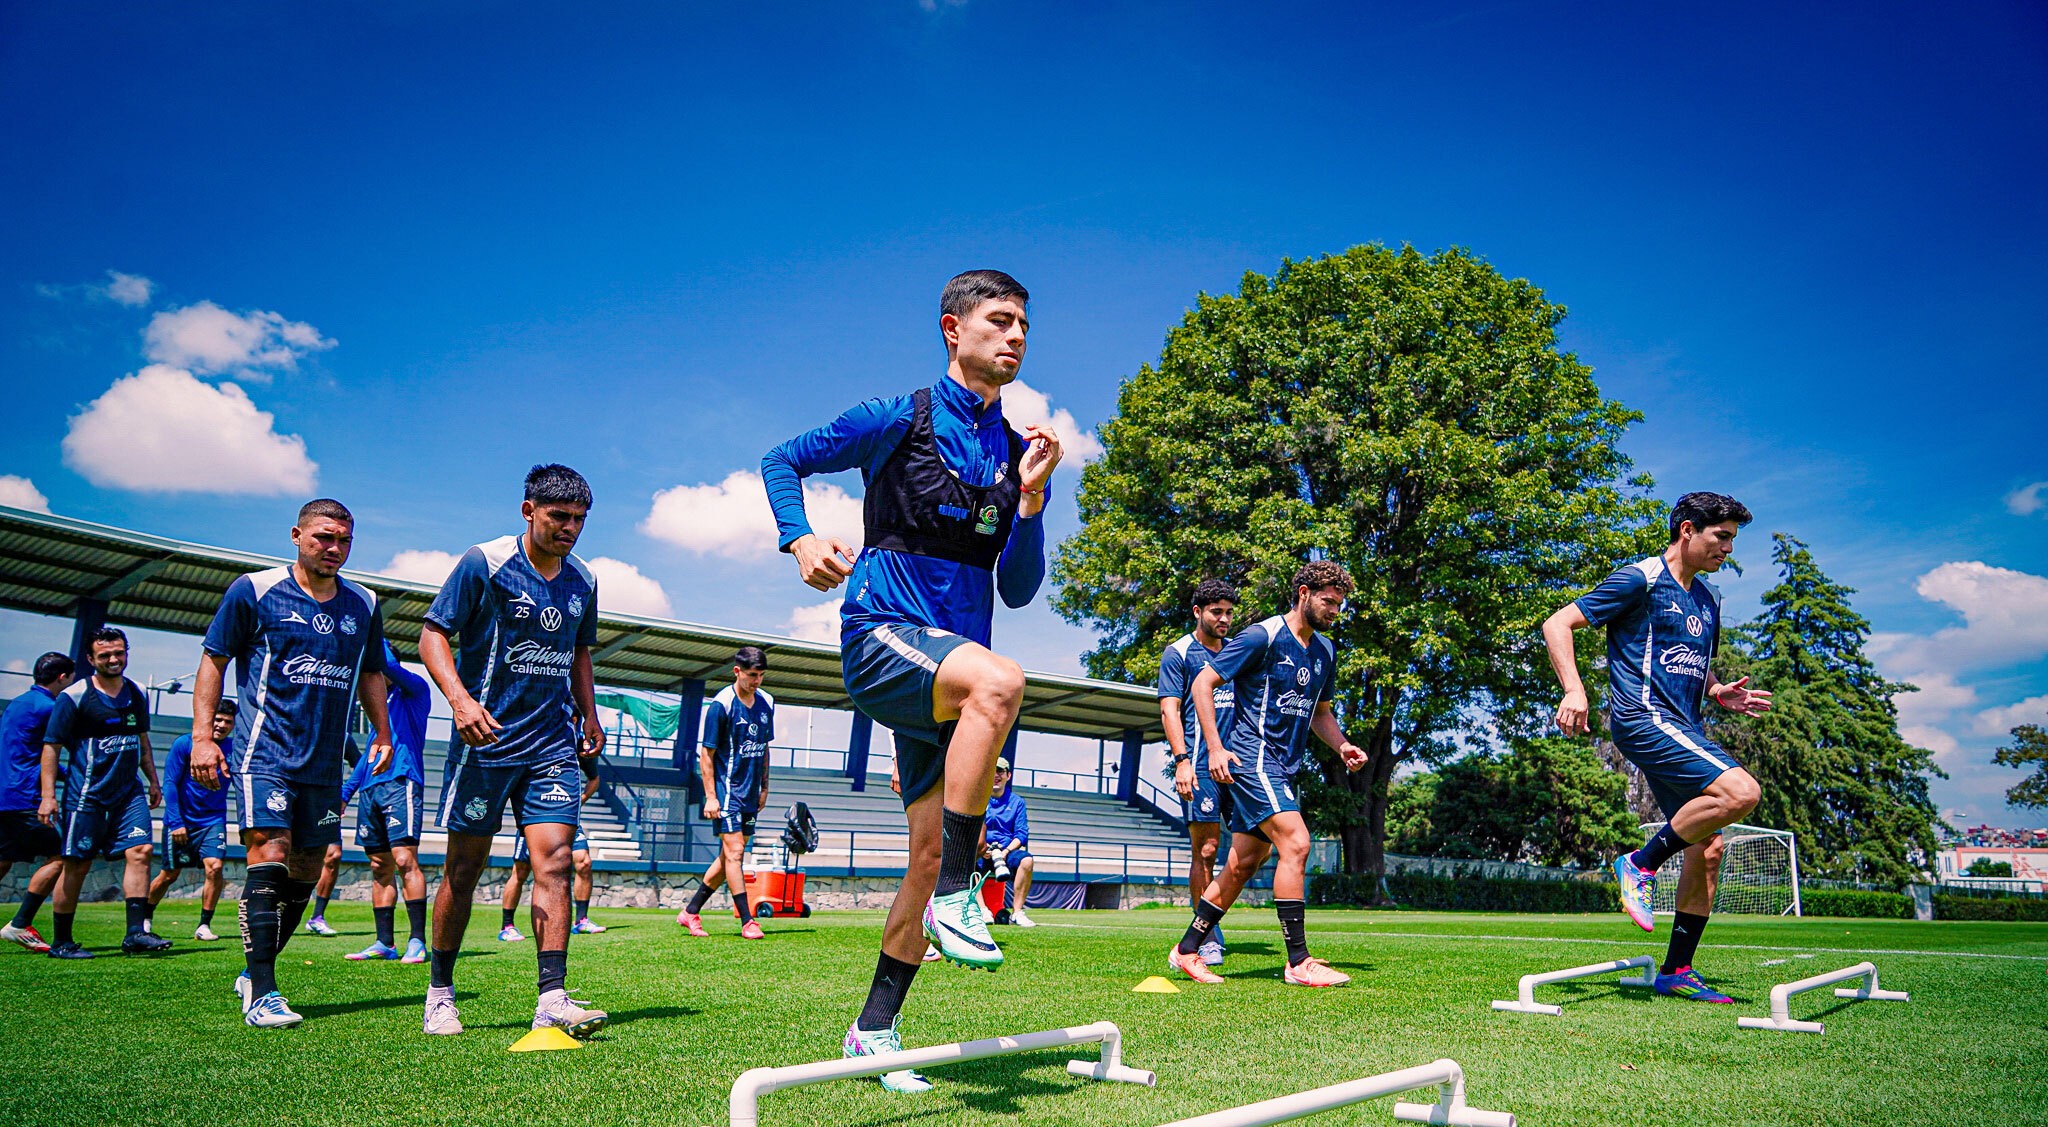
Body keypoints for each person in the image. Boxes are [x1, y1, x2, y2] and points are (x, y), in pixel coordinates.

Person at [761, 268, 1061, 1091]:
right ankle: (966, 895)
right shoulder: (897, 417)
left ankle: (872, 1030)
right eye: (999, 320)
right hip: (881, 637)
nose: (1016, 336)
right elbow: (783, 458)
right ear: (951, 329)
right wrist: (799, 539)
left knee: (924, 855)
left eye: (1024, 325)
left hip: (952, 671)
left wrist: (1032, 503)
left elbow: (1019, 588)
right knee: (1002, 684)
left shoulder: (1012, 451)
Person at [1541, 491, 1773, 1003]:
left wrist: (1717, 690)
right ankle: (1640, 864)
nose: (1728, 549)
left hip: (1682, 724)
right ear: (1687, 530)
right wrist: (1574, 690)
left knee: (1708, 845)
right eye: (1722, 536)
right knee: (1742, 792)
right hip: (1642, 717)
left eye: (1733, 538)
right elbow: (1557, 623)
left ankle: (1677, 970)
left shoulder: (1708, 600)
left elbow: (1691, 659)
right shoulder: (1640, 578)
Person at [419, 464, 607, 1039]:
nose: (570, 529)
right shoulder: (486, 561)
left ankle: (552, 997)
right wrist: (460, 701)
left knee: (553, 861)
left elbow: (578, 653)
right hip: (487, 741)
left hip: (551, 743)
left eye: (579, 520)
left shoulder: (584, 581)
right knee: (464, 870)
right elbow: (432, 635)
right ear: (529, 511)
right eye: (559, 517)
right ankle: (440, 992)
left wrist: (590, 712)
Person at [193, 498, 395, 1027]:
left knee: (308, 865)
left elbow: (373, 671)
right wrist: (202, 737)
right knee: (271, 850)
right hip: (266, 752)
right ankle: (263, 992)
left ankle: (254, 970)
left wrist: (383, 730)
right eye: (324, 537)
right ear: (297, 535)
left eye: (344, 540)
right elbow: (213, 661)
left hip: (324, 761)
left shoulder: (365, 603)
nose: (334, 548)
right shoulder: (255, 590)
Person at [1167, 562, 1367, 988]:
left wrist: (1342, 745)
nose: (1334, 610)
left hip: (1284, 765)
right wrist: (1215, 748)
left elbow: (1321, 713)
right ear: (1303, 593)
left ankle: (1186, 950)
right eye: (1328, 601)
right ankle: (1298, 960)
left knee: (1243, 863)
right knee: (1297, 842)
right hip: (1251, 758)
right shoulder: (1262, 635)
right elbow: (1204, 684)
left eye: (1339, 604)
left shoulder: (1325, 651)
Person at [38, 627, 170, 959]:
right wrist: (48, 796)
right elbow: (51, 747)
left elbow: (142, 741)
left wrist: (153, 780)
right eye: (105, 655)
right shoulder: (76, 696)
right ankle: (62, 942)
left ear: (127, 652)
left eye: (119, 653)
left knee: (140, 850)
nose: (113, 659)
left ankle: (136, 934)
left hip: (128, 794)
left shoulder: (137, 692)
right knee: (77, 865)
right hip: (87, 796)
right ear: (90, 658)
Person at [1156, 579, 1238, 964]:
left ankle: (1208, 922)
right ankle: (1206, 936)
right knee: (1206, 849)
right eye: (1216, 612)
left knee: (1253, 847)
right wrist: (1182, 760)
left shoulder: (1236, 652)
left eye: (1228, 612)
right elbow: (1169, 709)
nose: (1224, 619)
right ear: (1198, 612)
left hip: (1239, 766)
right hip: (1201, 765)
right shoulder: (1179, 653)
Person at [341, 642, 434, 962]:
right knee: (379, 866)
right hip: (370, 790)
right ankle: (385, 943)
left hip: (401, 784)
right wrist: (344, 795)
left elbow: (392, 666)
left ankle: (417, 941)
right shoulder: (375, 710)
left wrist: (371, 636)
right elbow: (366, 759)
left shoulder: (415, 691)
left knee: (405, 859)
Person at [678, 648, 774, 940]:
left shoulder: (767, 702)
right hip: (727, 791)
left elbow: (765, 747)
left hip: (750, 792)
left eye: (760, 675)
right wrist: (711, 796)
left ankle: (690, 911)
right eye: (751, 675)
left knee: (727, 857)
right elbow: (706, 755)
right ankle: (748, 921)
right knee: (735, 853)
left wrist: (765, 786)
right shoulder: (721, 705)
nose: (756, 681)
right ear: (737, 672)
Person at [146, 699, 237, 941]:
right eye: (217, 719)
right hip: (182, 822)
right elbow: (170, 784)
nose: (221, 725)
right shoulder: (184, 744)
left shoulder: (234, 749)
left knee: (215, 868)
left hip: (213, 820)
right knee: (170, 874)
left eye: (227, 721)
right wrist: (176, 822)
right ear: (208, 719)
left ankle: (204, 925)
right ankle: (144, 919)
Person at [0, 652, 73, 953]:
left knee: (4, 858)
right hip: (27, 797)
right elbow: (49, 752)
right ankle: (19, 923)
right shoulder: (50, 708)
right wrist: (71, 776)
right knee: (60, 857)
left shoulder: (17, 703)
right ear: (62, 678)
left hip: (5, 794)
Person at [501, 755, 605, 941]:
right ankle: (507, 926)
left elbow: (594, 778)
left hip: (566, 817)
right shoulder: (534, 741)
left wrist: (580, 800)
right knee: (521, 871)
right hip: (536, 817)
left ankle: (581, 920)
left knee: (584, 862)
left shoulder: (579, 745)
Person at [980, 756, 1034, 927]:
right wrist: (981, 848)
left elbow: (1021, 833)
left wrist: (1005, 852)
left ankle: (1017, 912)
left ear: (1008, 775)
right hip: (982, 850)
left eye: (1000, 771)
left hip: (1006, 851)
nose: (996, 775)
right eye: (993, 771)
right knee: (964, 861)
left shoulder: (1017, 802)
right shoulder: (978, 798)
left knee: (1027, 861)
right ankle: (983, 911)